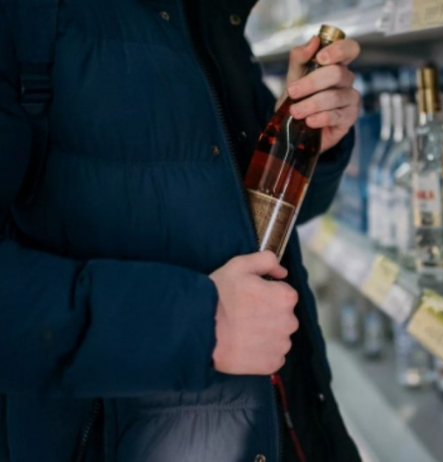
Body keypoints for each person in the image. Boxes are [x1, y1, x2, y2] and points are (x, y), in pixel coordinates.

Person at [0, 1, 362, 461]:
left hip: (299, 430)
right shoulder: (26, 17)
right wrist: (196, 324)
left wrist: (306, 144)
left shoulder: (213, 18)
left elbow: (254, 228)